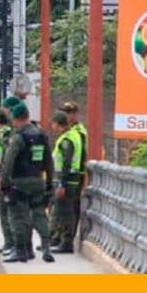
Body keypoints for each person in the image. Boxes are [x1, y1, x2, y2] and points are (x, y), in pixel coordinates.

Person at [0, 103, 55, 263]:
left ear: (16, 119)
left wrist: (4, 182)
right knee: (39, 214)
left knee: (18, 217)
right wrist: (49, 181)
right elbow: (49, 161)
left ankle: (21, 251)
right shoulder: (42, 135)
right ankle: (46, 246)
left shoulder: (18, 138)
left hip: (19, 183)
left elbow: (9, 161)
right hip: (38, 180)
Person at [50, 111, 82, 254]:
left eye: (53, 124)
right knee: (62, 211)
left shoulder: (66, 140)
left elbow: (66, 163)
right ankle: (60, 240)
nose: (52, 127)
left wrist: (62, 184)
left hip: (68, 182)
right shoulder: (71, 136)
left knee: (66, 212)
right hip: (71, 180)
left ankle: (66, 242)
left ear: (58, 124)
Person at [59, 101, 88, 241]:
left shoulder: (78, 132)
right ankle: (61, 235)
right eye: (64, 112)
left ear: (75, 114)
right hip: (69, 173)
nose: (66, 115)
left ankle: (68, 237)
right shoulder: (68, 131)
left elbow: (80, 154)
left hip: (77, 173)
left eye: (68, 112)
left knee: (72, 207)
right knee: (64, 207)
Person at [0, 105, 14, 254]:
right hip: (13, 175)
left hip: (4, 174)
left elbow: (3, 156)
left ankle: (9, 243)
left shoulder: (1, 133)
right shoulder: (13, 131)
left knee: (5, 212)